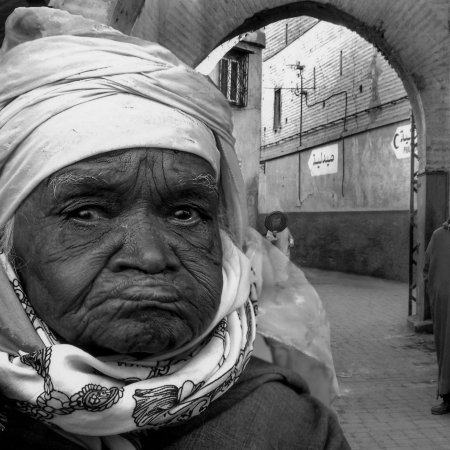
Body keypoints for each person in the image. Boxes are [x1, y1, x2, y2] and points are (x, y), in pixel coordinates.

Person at [0, 7, 350, 449]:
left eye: (185, 214)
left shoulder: (291, 429)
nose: (150, 256)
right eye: (87, 213)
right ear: (8, 244)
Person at [424, 218, 450, 415]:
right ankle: (447, 397)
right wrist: (436, 293)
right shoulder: (439, 236)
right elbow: (428, 270)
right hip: (445, 307)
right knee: (446, 350)